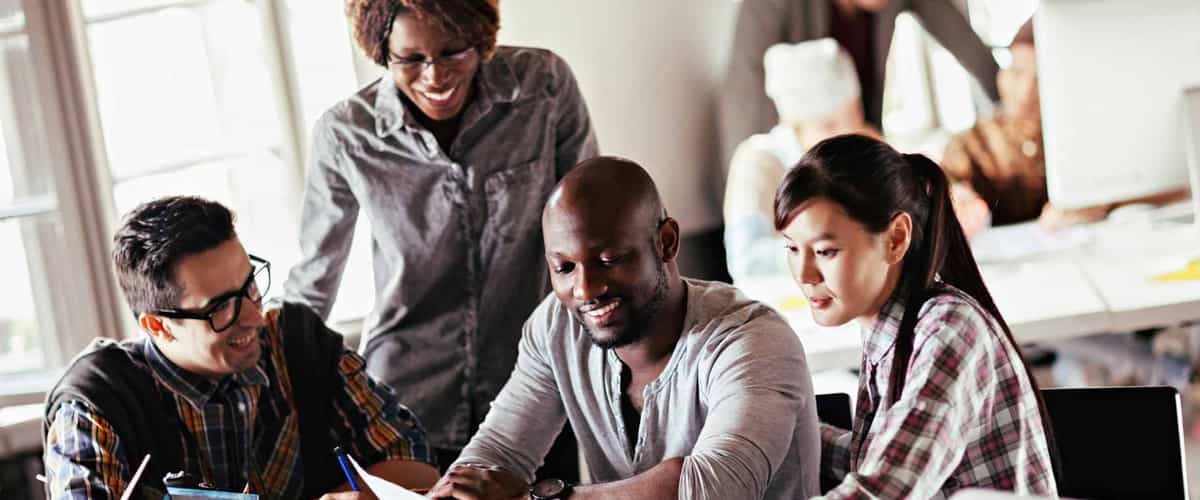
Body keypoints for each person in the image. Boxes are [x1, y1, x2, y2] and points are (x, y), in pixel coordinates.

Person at [284, 0, 598, 468]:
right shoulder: (347, 134)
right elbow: (315, 275)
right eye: (410, 59)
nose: (434, 76)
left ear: (481, 37)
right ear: (380, 50)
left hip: (536, 385)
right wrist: (269, 369)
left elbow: (591, 225)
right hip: (406, 401)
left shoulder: (543, 87)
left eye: (453, 52)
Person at [427, 157, 821, 499]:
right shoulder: (556, 327)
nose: (585, 289)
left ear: (666, 242)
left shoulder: (753, 339)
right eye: (564, 268)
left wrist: (539, 499)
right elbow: (498, 454)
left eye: (608, 259)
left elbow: (711, 489)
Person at [42, 196, 438, 499]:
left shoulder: (300, 344)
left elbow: (417, 460)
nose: (252, 316)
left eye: (250, 285)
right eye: (221, 308)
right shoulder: (96, 405)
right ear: (158, 326)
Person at [774, 134, 1057, 497]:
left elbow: (884, 489)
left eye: (826, 251)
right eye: (792, 248)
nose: (804, 274)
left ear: (896, 239)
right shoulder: (887, 329)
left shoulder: (949, 330)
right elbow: (880, 460)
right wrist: (778, 430)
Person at [942, 20, 1188, 229]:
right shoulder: (972, 144)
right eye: (1016, 72)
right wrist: (958, 201)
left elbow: (1176, 185)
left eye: (1041, 78)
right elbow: (944, 190)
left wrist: (1099, 204)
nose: (1025, 92)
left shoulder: (1096, 136)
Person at [719, 0, 1001, 167]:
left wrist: (1007, 96)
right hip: (790, 163)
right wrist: (757, 185)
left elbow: (962, 39)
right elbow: (745, 95)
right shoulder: (771, 6)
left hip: (854, 159)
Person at [723, 38, 879, 283]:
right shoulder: (758, 162)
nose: (848, 131)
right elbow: (746, 258)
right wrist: (829, 247)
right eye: (829, 124)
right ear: (795, 125)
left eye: (854, 115)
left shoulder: (859, 155)